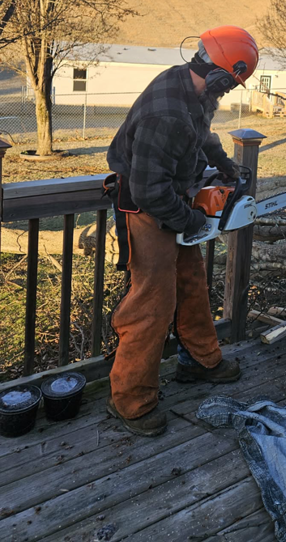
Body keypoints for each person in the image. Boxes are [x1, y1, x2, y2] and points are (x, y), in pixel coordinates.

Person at [104, 25, 259, 436]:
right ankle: (132, 400)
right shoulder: (166, 113)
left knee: (190, 281)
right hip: (147, 208)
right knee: (152, 302)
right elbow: (148, 189)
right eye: (230, 84)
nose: (226, 92)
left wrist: (224, 164)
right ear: (221, 75)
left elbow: (201, 134)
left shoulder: (192, 90)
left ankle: (201, 360)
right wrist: (191, 219)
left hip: (174, 198)